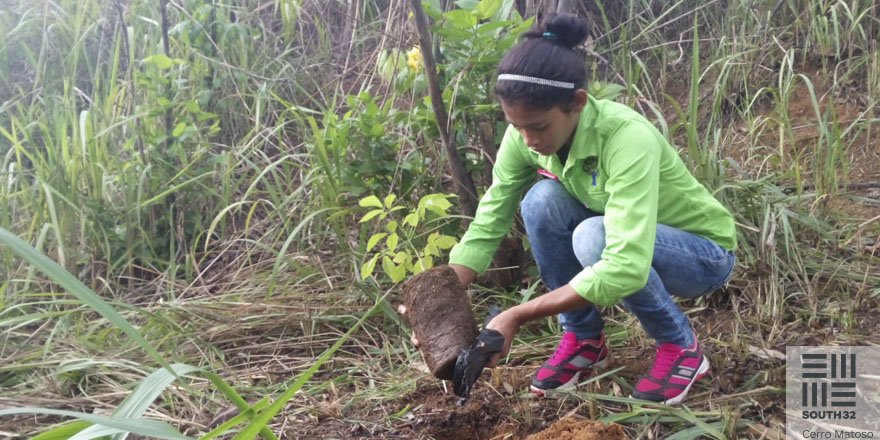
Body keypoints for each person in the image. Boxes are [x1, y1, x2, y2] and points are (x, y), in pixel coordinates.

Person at [405, 13, 737, 405]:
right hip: (624, 236)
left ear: (577, 102)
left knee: (594, 236)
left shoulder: (626, 138)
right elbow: (490, 218)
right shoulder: (525, 137)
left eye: (539, 127)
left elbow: (626, 265)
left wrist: (517, 314)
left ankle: (681, 348)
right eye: (516, 126)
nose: (528, 139)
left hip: (702, 254)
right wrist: (439, 304)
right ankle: (584, 339)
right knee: (540, 201)